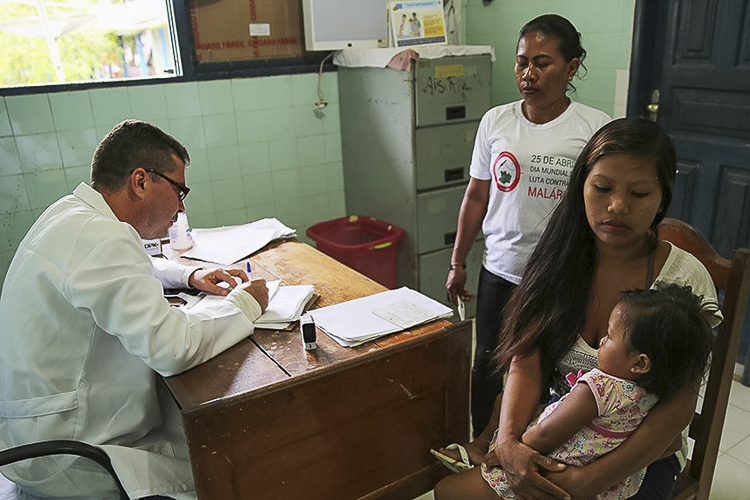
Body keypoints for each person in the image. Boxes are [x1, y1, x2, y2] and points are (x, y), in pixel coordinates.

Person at [434, 117, 722, 499]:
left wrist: (591, 480)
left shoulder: (684, 278)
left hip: (635, 460)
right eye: (602, 188)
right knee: (449, 493)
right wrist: (508, 444)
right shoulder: (559, 259)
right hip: (556, 433)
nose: (616, 206)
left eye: (638, 194)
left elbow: (678, 406)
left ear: (661, 200)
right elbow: (526, 362)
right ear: (581, 186)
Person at [0, 119, 269, 500]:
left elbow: (122, 268)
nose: (180, 207)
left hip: (31, 433)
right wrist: (245, 304)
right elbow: (173, 349)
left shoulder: (72, 215)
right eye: (179, 190)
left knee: (196, 427)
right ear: (140, 181)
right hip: (68, 453)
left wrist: (189, 275)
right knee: (229, 463)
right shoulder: (102, 238)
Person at [446, 14, 611, 436]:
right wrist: (458, 260)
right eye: (522, 63)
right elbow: (477, 196)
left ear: (572, 68)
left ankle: (527, 445)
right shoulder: (496, 121)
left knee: (548, 366)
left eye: (542, 63)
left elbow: (602, 207)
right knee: (486, 362)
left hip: (560, 274)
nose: (528, 74)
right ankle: (482, 443)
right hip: (500, 269)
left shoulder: (593, 128)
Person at [463, 284, 714, 500]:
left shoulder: (600, 387)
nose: (602, 341)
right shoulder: (650, 394)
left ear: (639, 363)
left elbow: (545, 435)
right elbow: (672, 441)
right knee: (503, 403)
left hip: (553, 472)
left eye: (610, 336)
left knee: (447, 491)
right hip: (614, 489)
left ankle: (484, 452)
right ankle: (482, 447)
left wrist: (509, 452)